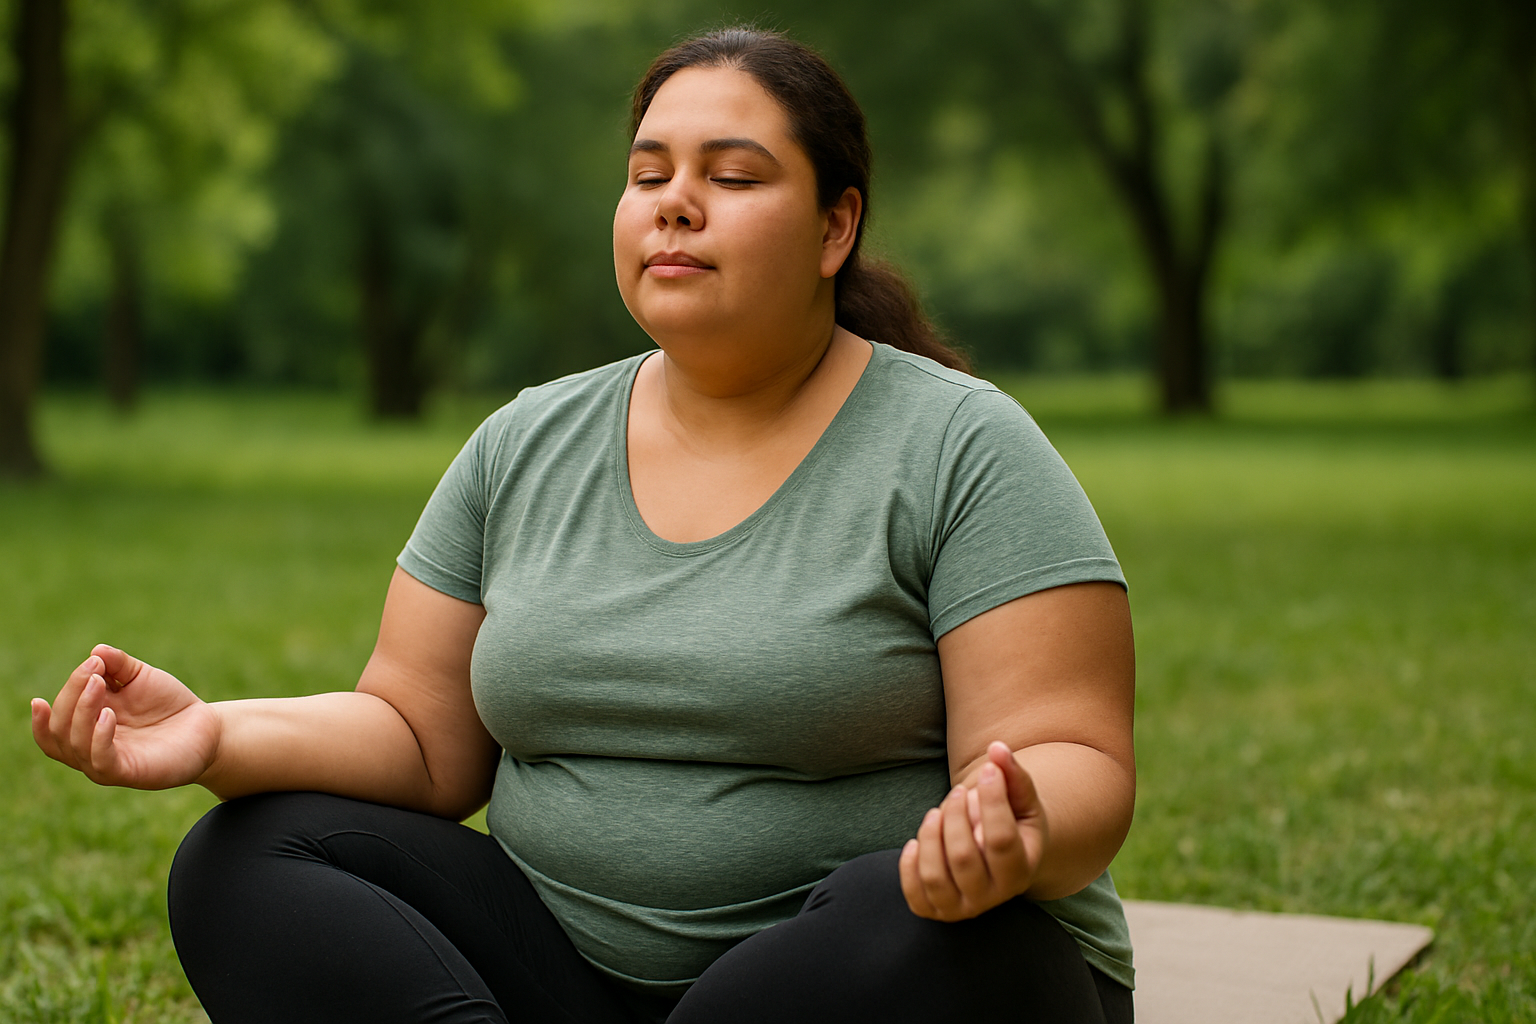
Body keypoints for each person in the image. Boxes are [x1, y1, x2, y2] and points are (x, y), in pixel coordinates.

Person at [30, 26, 1136, 1024]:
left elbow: (1075, 757)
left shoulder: (958, 446)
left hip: (894, 975)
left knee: (893, 907)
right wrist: (215, 734)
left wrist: (1012, 828)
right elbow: (418, 737)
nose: (675, 202)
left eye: (732, 175)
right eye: (648, 174)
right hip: (570, 976)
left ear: (834, 225)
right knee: (248, 853)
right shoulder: (527, 443)